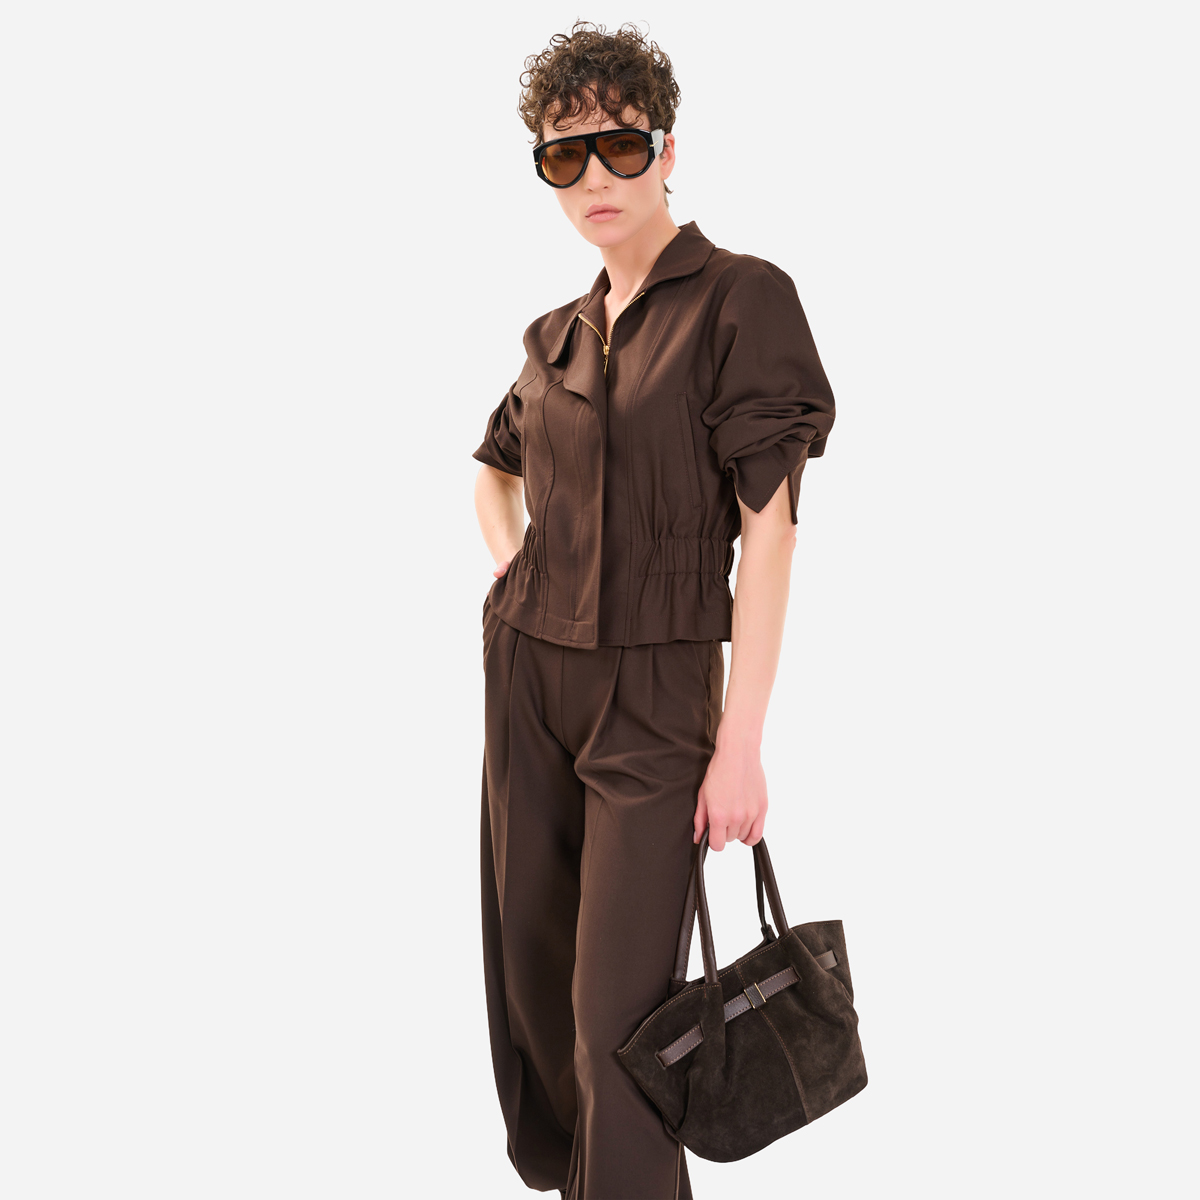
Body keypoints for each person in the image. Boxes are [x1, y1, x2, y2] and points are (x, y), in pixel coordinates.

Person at [471, 21, 836, 1200]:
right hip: (530, 681)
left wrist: (742, 742)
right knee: (535, 993)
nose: (595, 177)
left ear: (667, 150)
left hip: (657, 696)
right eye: (562, 155)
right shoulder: (557, 335)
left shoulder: (741, 300)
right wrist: (514, 571)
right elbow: (493, 471)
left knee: (616, 1024)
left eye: (619, 145)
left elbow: (771, 533)